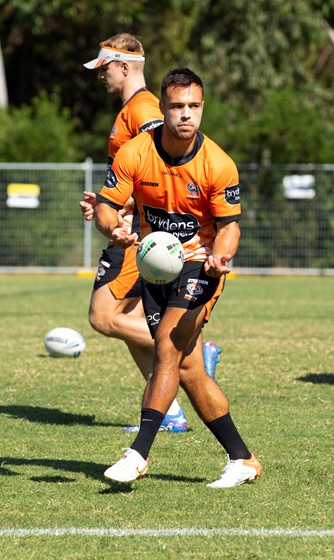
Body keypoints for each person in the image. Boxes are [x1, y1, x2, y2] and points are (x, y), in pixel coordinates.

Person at [95, 68, 261, 487]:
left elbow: (229, 227)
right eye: (177, 107)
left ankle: (138, 454)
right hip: (155, 267)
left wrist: (221, 257)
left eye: (193, 107)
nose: (185, 115)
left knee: (167, 347)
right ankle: (241, 459)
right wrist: (112, 226)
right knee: (189, 370)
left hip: (200, 267)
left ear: (202, 108)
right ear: (163, 109)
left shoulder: (218, 164)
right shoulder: (134, 153)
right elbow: (105, 205)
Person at [79, 34, 222, 433]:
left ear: (123, 67)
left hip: (140, 236)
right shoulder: (132, 108)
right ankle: (171, 410)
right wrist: (109, 204)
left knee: (103, 316)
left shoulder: (143, 109)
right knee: (123, 320)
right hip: (128, 225)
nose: (101, 76)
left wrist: (128, 213)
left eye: (104, 68)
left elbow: (168, 165)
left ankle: (189, 350)